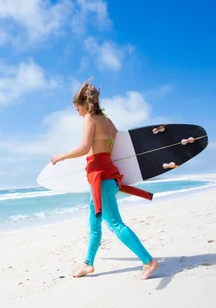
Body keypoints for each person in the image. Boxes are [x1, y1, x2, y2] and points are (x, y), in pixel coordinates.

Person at [51, 79, 159, 280]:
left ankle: (148, 261)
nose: (78, 113)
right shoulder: (107, 121)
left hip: (101, 177)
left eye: (77, 109)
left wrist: (61, 156)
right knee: (94, 224)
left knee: (115, 224)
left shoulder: (90, 119)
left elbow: (84, 148)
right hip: (107, 175)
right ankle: (88, 264)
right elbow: (118, 143)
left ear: (84, 104)